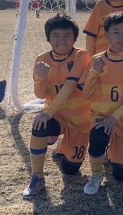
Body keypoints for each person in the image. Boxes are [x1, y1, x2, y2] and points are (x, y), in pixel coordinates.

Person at [23, 13, 93, 200]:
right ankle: (37, 178)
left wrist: (48, 113)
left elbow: (70, 86)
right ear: (48, 38)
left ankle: (63, 147)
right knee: (40, 126)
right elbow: (40, 94)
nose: (61, 40)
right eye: (56, 35)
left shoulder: (82, 56)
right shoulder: (41, 59)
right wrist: (41, 78)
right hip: (57, 116)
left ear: (74, 38)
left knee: (70, 170)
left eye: (67, 35)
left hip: (80, 120)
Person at [81, 12, 123, 195]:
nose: (121, 37)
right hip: (101, 117)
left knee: (121, 175)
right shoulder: (96, 60)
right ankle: (96, 174)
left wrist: (115, 118)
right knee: (98, 138)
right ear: (106, 34)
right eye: (116, 32)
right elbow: (86, 94)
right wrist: (94, 73)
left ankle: (113, 151)